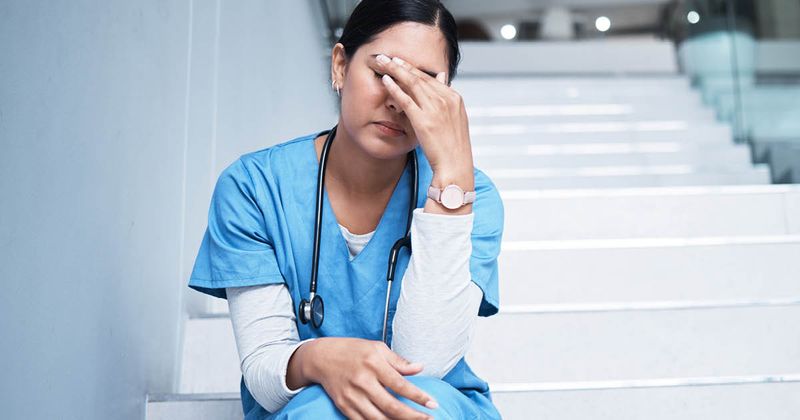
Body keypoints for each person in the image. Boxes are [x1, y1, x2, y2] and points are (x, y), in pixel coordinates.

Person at [188, 0, 504, 418]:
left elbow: (423, 362)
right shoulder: (254, 188)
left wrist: (451, 181)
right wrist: (321, 359)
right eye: (384, 73)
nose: (397, 100)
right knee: (320, 409)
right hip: (303, 408)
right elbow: (265, 374)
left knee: (421, 403)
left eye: (422, 84)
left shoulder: (468, 194)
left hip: (434, 406)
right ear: (340, 66)